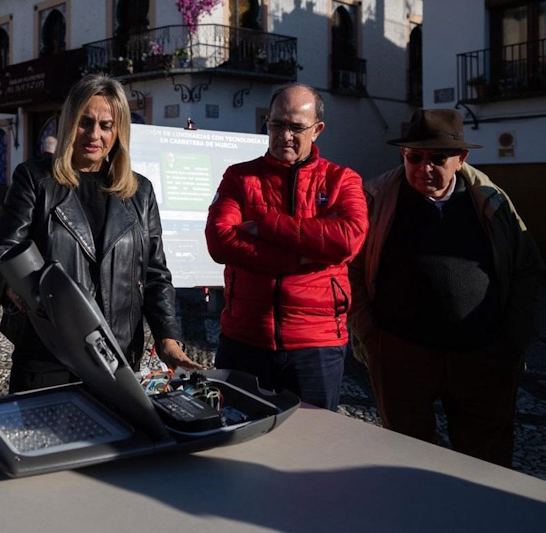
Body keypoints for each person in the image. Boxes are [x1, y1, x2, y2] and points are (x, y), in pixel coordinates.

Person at [348, 108, 544, 466]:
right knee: (405, 461)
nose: (424, 168)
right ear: (402, 155)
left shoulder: (490, 200)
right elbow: (353, 269)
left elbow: (527, 267)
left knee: (485, 463)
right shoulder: (377, 198)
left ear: (461, 159)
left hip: (482, 356)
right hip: (400, 355)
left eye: (437, 158)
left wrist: (512, 339)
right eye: (414, 157)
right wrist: (370, 335)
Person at [0, 74, 201, 392]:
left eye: (106, 125)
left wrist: (168, 337)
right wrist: (15, 289)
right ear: (70, 123)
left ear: (118, 131)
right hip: (47, 355)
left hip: (118, 359)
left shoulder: (140, 193)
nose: (94, 135)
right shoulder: (34, 179)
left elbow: (155, 274)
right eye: (85, 122)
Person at [205, 84, 367, 410]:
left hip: (316, 344)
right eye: (277, 124)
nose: (285, 136)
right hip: (244, 339)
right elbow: (219, 241)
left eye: (296, 127)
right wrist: (301, 258)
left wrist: (265, 224)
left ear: (317, 130)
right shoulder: (240, 177)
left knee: (312, 449)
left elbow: (348, 237)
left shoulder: (341, 180)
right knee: (235, 442)